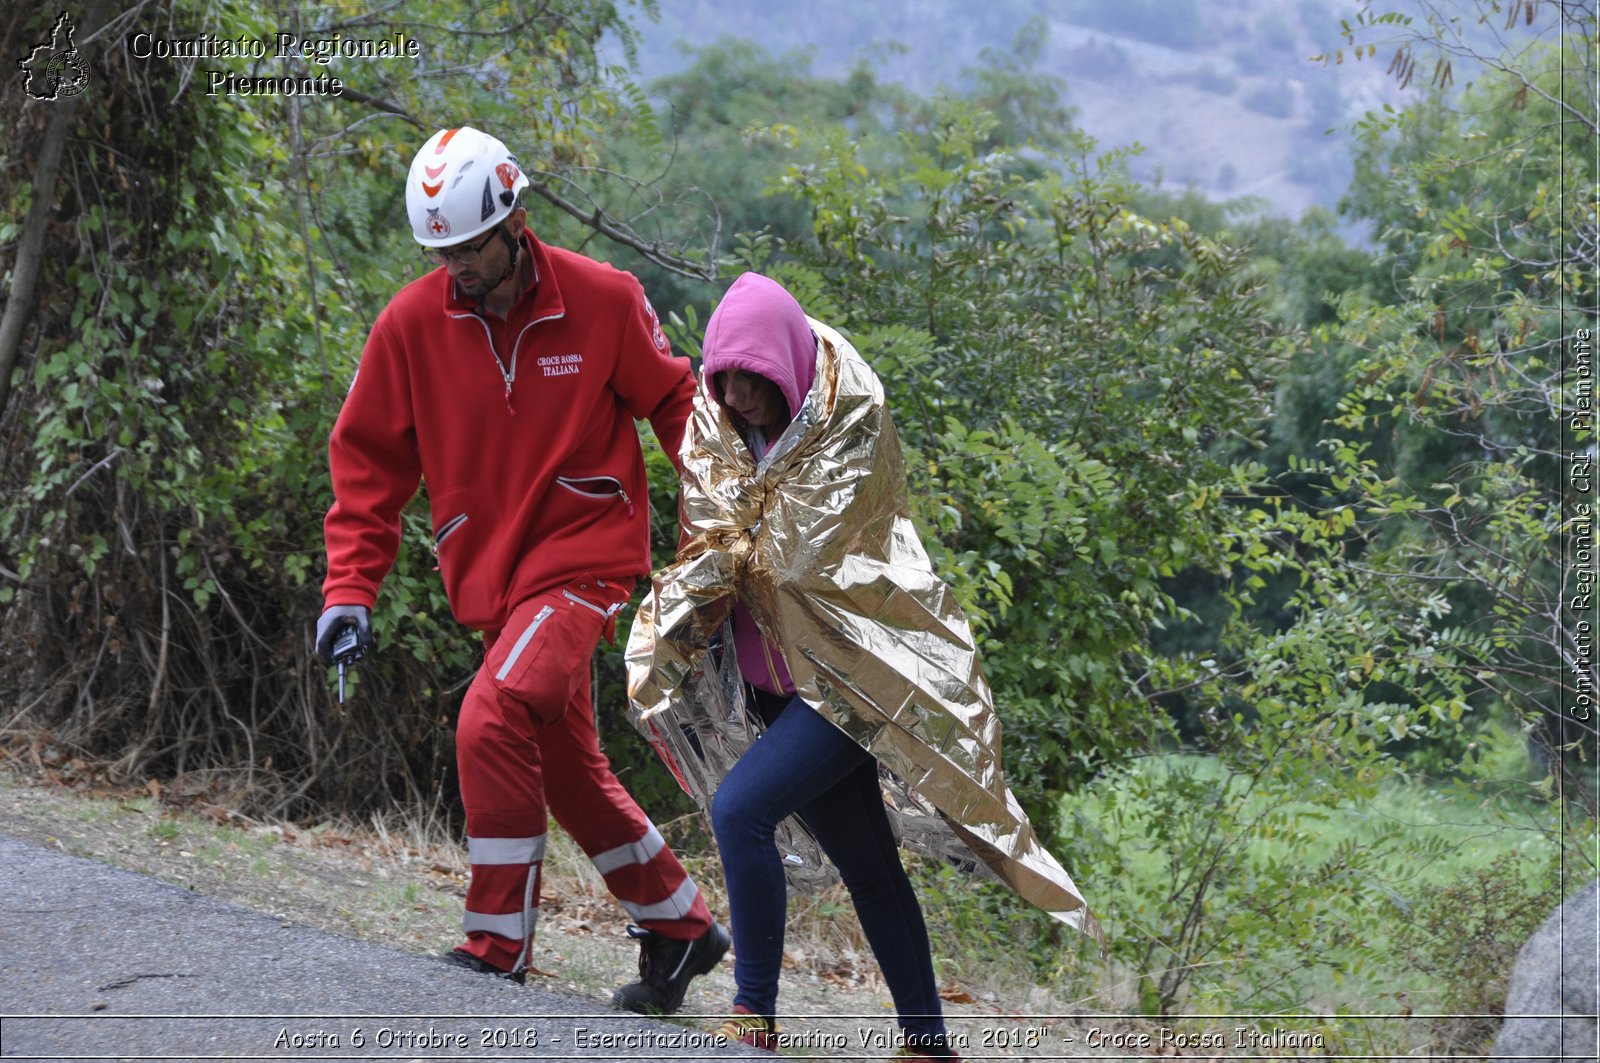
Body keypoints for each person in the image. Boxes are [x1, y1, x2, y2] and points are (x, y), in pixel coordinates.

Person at [627, 273, 1099, 1060]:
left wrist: (736, 547)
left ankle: (754, 1013)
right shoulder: (717, 433)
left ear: (786, 366)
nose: (739, 395)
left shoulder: (851, 425)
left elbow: (805, 559)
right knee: (870, 864)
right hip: (774, 683)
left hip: (854, 677)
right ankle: (927, 1042)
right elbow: (710, 539)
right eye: (725, 380)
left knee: (741, 809)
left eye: (754, 378)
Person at [315, 126, 727, 1014]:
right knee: (565, 762)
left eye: (470, 246)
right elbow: (366, 468)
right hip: (492, 581)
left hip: (588, 559)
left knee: (489, 717)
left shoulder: (604, 299)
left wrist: (720, 529)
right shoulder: (409, 326)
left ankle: (497, 943)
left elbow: (678, 404)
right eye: (441, 251)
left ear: (515, 221)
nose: (457, 266)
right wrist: (349, 589)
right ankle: (681, 924)